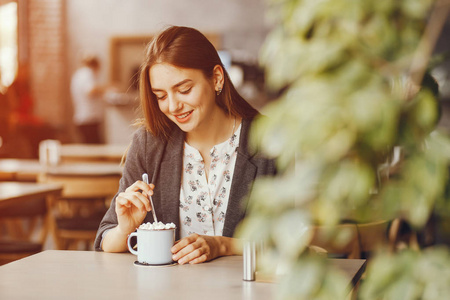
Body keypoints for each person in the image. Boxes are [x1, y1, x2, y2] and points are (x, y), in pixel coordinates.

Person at [95, 26, 276, 265]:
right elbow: (105, 237)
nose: (172, 106)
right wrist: (125, 229)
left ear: (217, 79)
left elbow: (298, 237)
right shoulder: (149, 144)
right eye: (160, 96)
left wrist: (222, 244)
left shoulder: (268, 140)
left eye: (184, 90)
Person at [70, 55, 106, 144]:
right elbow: (91, 90)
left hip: (82, 117)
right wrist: (108, 88)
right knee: (95, 151)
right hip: (89, 119)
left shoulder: (78, 74)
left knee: (88, 147)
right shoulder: (87, 73)